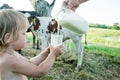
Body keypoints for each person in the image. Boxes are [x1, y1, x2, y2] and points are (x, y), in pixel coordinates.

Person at [0, 9, 63, 80]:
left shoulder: (12, 54)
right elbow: (40, 71)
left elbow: (29, 63)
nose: (26, 35)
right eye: (23, 33)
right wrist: (53, 55)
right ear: (8, 38)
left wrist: (45, 54)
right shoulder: (8, 60)